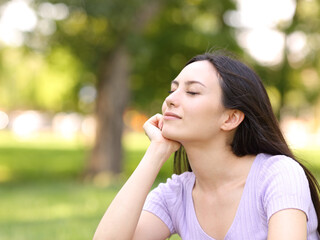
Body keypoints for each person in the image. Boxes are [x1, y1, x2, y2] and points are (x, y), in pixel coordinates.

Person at [93, 52, 320, 240]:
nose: (171, 99)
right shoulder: (178, 193)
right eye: (173, 90)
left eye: (192, 92)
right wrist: (156, 151)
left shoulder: (278, 174)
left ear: (230, 118)